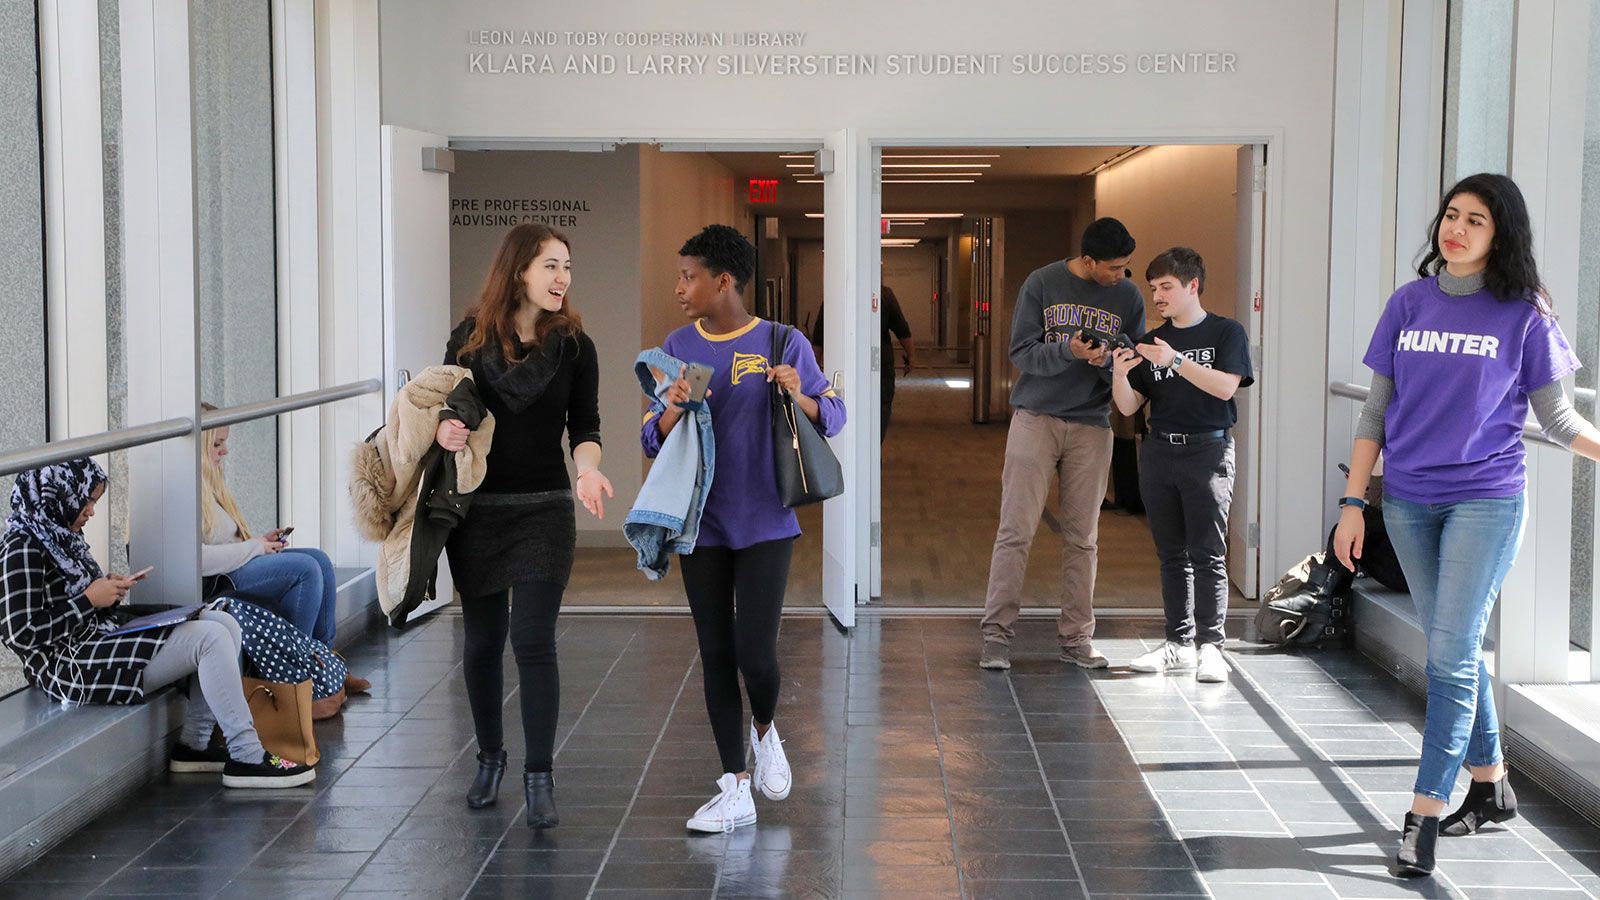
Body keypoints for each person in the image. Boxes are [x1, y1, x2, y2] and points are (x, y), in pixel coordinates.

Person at [1332, 174, 1600, 878]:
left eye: (1474, 220)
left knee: (1447, 658)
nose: (1455, 229)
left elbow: (1560, 420)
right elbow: (1373, 414)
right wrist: (1354, 504)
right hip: (1411, 502)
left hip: (1487, 497)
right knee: (1454, 649)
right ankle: (1492, 785)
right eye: (1451, 215)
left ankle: (1421, 813)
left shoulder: (1525, 313)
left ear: (1500, 234)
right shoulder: (1409, 303)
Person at [643, 224, 845, 833]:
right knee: (714, 651)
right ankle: (734, 785)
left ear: (722, 280)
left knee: (756, 653)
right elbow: (651, 438)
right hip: (700, 525)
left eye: (689, 276)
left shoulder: (783, 341)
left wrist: (799, 395)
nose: (679, 287)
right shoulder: (679, 344)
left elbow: (832, 415)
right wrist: (673, 405)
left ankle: (765, 732)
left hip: (765, 522)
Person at [441, 223, 612, 828]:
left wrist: (588, 472)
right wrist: (447, 430)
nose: (563, 277)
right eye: (551, 266)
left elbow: (584, 429)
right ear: (519, 271)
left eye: (567, 266)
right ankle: (489, 760)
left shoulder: (574, 347)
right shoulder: (468, 340)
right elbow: (446, 409)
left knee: (532, 640)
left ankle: (539, 773)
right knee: (483, 643)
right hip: (480, 513)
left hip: (543, 509)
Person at [0, 459, 315, 788]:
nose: (91, 511)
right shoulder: (21, 548)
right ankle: (247, 755)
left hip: (98, 638)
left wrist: (108, 588)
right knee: (209, 638)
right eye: (87, 500)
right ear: (59, 496)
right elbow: (19, 633)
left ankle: (196, 744)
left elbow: (75, 598)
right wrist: (89, 600)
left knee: (223, 621)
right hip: (71, 665)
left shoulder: (62, 536)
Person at [978, 217, 1145, 671]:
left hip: (1092, 424)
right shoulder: (1042, 282)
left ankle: (1076, 639)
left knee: (1082, 539)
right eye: (1113, 268)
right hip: (1035, 417)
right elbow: (1020, 352)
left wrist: (1104, 359)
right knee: (1015, 531)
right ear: (1088, 261)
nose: (1121, 276)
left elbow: (1131, 358)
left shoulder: (1128, 297)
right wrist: (1068, 352)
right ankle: (996, 636)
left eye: (1125, 267)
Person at [1110, 247, 1254, 684]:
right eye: (1153, 288)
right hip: (1158, 450)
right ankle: (1178, 643)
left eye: (1166, 287)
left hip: (1208, 452)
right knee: (1170, 554)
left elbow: (1226, 388)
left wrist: (1175, 360)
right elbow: (1130, 403)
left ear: (1193, 286)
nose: (1157, 296)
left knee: (1208, 553)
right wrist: (1119, 373)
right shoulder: (1152, 343)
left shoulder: (1226, 333)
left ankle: (1212, 646)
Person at [198, 407, 368, 695]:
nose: (225, 451)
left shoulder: (210, 485)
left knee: (320, 560)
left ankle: (325, 662)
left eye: (225, 442)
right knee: (305, 570)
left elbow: (225, 541)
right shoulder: (186, 490)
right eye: (217, 444)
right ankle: (298, 677)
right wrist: (254, 547)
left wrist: (259, 543)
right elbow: (197, 560)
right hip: (219, 580)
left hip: (236, 565)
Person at [810, 285, 915, 441]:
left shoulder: (836, 297)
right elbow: (902, 329)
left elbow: (819, 337)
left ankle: (860, 453)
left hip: (862, 367)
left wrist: (813, 368)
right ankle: (872, 454)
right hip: (878, 368)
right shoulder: (883, 295)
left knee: (851, 410)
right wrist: (911, 356)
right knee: (878, 412)